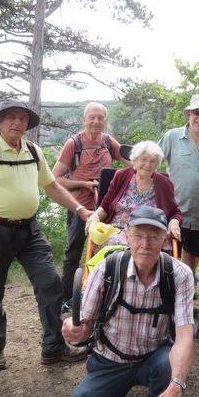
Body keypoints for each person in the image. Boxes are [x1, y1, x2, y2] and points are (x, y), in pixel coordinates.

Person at [0, 99, 90, 372]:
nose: (17, 123)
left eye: (22, 118)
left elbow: (52, 187)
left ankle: (54, 347)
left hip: (30, 231)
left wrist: (79, 209)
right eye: (11, 117)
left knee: (50, 284)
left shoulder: (32, 150)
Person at [63, 206, 194, 397]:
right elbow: (86, 326)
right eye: (138, 235)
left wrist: (176, 386)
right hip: (109, 360)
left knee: (167, 365)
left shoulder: (180, 275)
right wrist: (77, 332)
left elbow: (184, 339)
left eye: (154, 237)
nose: (145, 244)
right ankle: (111, 395)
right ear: (127, 237)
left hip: (154, 358)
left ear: (164, 240)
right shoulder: (106, 270)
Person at [52, 102, 127, 309]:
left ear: (105, 120)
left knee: (106, 251)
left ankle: (102, 293)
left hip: (105, 207)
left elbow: (131, 162)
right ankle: (67, 299)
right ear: (84, 120)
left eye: (100, 118)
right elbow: (56, 179)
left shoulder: (108, 142)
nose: (96, 121)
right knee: (74, 251)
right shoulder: (73, 144)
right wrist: (83, 184)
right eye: (92, 117)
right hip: (81, 207)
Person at [158, 94, 199, 271]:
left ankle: (186, 283)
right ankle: (171, 287)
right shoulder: (172, 136)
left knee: (194, 252)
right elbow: (152, 163)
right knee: (169, 253)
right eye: (197, 112)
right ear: (189, 114)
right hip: (174, 208)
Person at [86, 141, 182, 251]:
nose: (148, 164)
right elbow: (105, 206)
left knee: (145, 250)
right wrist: (95, 216)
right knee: (113, 245)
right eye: (144, 159)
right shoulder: (121, 176)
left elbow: (175, 212)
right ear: (135, 160)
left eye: (153, 161)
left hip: (150, 235)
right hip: (118, 231)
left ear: (157, 164)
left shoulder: (164, 183)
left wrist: (174, 222)